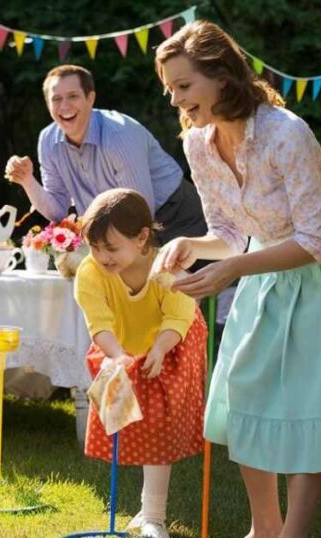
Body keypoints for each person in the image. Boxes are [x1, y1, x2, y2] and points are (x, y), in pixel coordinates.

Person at [155, 20, 321, 537]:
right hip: (264, 269)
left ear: (221, 76)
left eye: (184, 86)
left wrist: (233, 269)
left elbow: (314, 240)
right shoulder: (198, 144)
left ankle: (293, 534)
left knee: (308, 401)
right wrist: (190, 246)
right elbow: (228, 230)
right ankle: (264, 526)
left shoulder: (287, 134)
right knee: (243, 389)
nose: (176, 100)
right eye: (170, 89)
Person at [73, 188, 207, 538]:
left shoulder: (167, 268)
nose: (101, 256)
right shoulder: (90, 272)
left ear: (142, 237)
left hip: (171, 344)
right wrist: (117, 356)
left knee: (158, 429)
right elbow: (98, 322)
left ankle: (154, 516)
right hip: (120, 346)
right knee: (126, 424)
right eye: (94, 247)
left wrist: (161, 350)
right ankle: (145, 507)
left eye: (111, 248)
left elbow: (178, 317)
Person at [5, 64, 207, 246]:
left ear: (90, 98)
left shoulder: (120, 134)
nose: (64, 106)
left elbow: (140, 211)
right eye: (56, 99)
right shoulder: (48, 140)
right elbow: (58, 211)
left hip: (176, 215)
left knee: (202, 286)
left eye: (73, 96)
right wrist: (27, 180)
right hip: (121, 225)